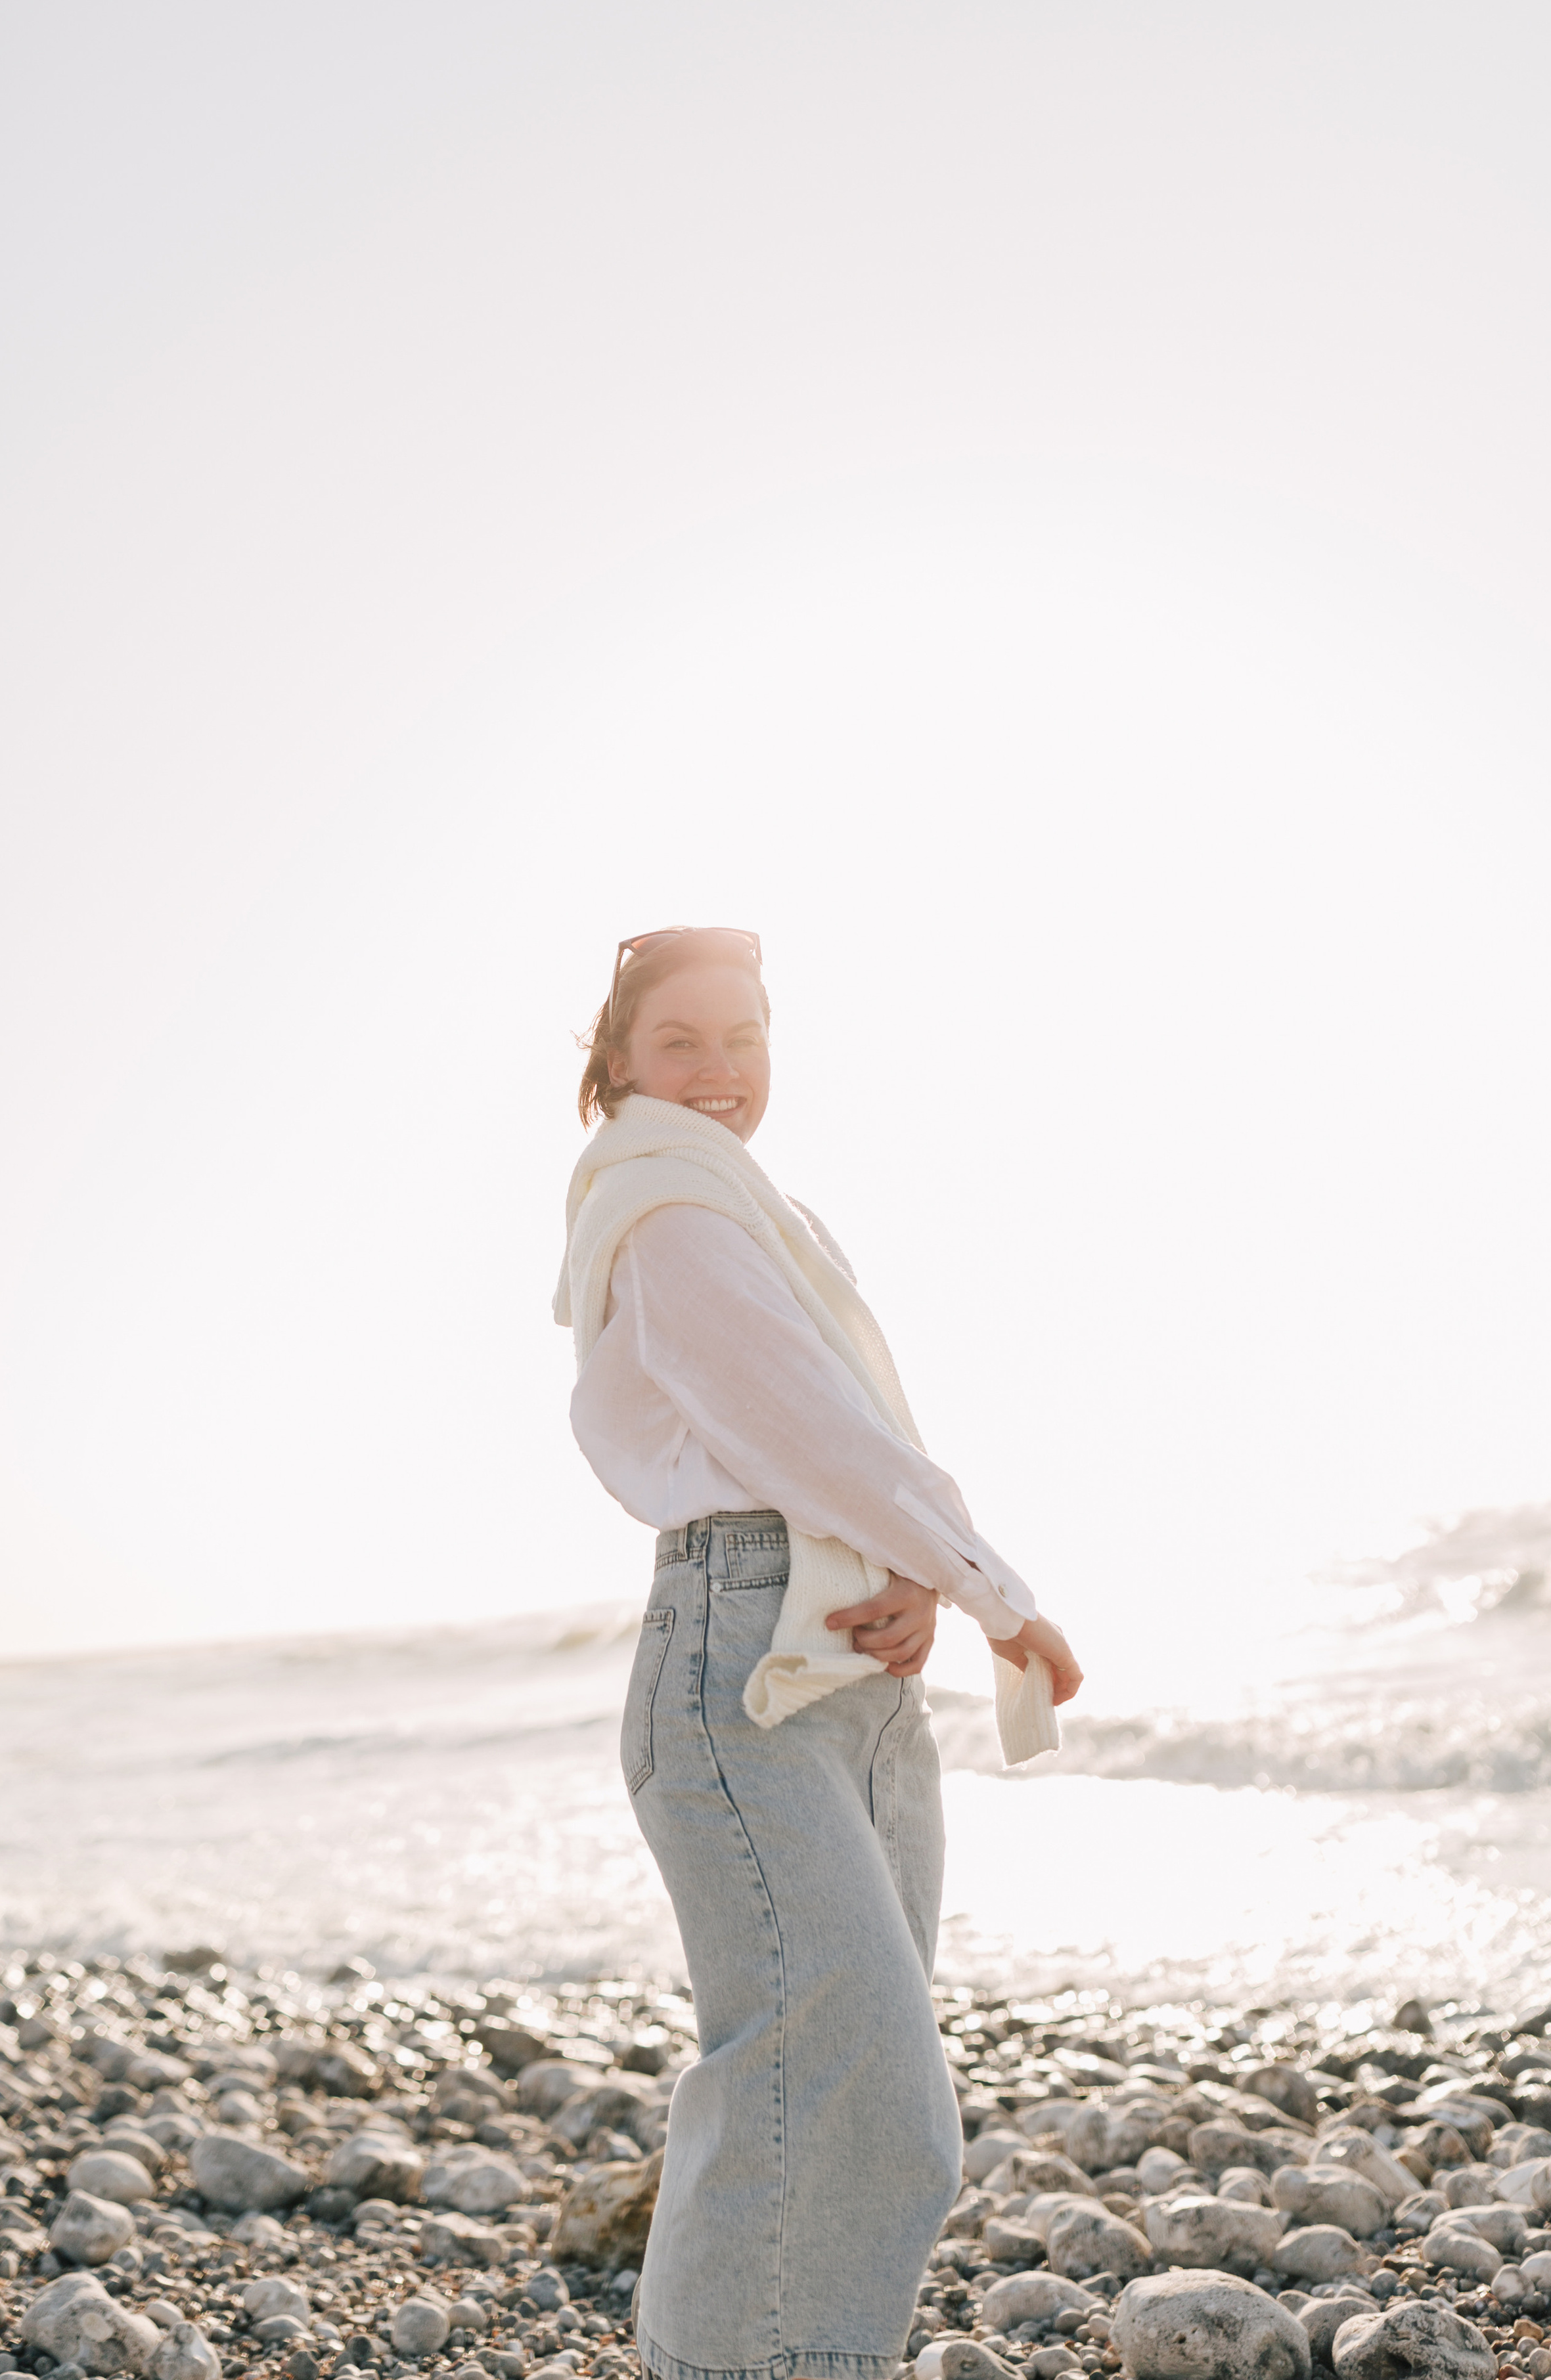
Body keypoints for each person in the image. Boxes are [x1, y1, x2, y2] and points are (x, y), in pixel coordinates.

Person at [554, 926, 1082, 2380]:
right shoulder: (665, 1212)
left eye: (746, 1036)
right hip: (740, 1672)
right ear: (618, 1066)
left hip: (840, 1667)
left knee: (844, 2101)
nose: (719, 1069)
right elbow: (793, 1420)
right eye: (682, 1041)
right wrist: (987, 1587)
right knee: (848, 2096)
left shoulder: (757, 1214)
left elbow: (842, 1441)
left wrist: (912, 1572)